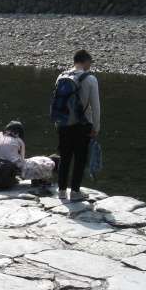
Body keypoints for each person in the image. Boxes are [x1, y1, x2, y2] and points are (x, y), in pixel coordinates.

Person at [51, 49, 101, 201]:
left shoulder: (61, 76)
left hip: (63, 123)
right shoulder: (90, 79)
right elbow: (96, 106)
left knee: (65, 157)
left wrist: (57, 121)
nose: (90, 66)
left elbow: (56, 102)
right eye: (90, 63)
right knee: (80, 158)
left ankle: (61, 191)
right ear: (85, 61)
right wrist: (96, 127)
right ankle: (75, 192)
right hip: (82, 124)